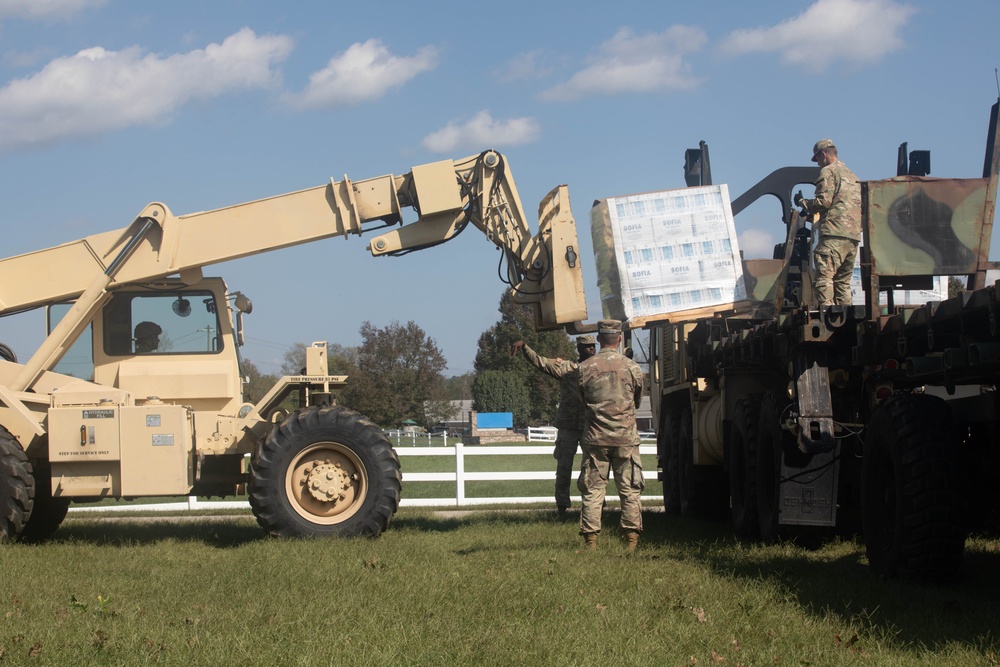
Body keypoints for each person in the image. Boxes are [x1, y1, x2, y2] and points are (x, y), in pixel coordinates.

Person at [576, 319, 645, 553]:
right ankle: (631, 543)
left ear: (598, 338)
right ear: (619, 339)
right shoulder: (633, 367)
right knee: (629, 490)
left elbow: (582, 400)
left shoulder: (585, 368)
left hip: (596, 439)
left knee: (593, 490)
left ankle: (591, 543)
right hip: (626, 439)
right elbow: (636, 401)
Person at [511, 335, 597, 518]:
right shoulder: (567, 369)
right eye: (587, 346)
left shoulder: (600, 369)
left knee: (592, 470)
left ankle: (594, 509)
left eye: (593, 346)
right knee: (564, 468)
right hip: (568, 426)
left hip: (590, 426)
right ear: (579, 349)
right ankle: (562, 508)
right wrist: (525, 347)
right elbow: (540, 362)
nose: (592, 349)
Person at [795, 138, 862, 307]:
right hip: (853, 237)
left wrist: (802, 202)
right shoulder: (852, 175)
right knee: (843, 282)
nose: (817, 164)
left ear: (823, 154)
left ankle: (828, 316)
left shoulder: (828, 172)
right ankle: (846, 317)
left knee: (824, 278)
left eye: (817, 159)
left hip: (833, 235)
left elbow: (823, 202)